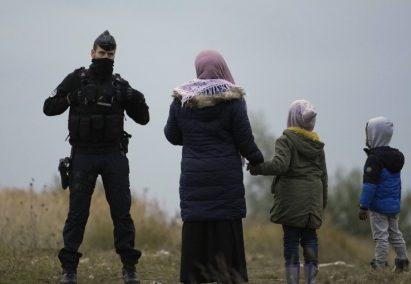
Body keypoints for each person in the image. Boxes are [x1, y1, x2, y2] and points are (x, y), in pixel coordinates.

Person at [43, 30, 149, 284]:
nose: (105, 57)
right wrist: (72, 97)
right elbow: (48, 107)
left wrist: (134, 98)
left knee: (122, 213)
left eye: (110, 54)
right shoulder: (76, 79)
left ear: (115, 55)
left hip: (113, 155)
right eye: (101, 53)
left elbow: (144, 118)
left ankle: (129, 268)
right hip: (83, 155)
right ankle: (69, 270)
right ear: (92, 52)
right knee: (77, 214)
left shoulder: (120, 85)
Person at [164, 49, 264, 284]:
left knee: (196, 227)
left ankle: (194, 276)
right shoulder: (233, 100)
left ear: (198, 69)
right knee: (225, 227)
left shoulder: (182, 100)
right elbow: (244, 139)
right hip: (225, 178)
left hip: (194, 178)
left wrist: (191, 138)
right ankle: (228, 276)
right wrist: (257, 160)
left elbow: (171, 135)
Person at [249, 100, 327, 284]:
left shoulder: (286, 140)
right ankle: (311, 281)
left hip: (292, 199)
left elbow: (280, 165)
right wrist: (322, 202)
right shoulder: (317, 144)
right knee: (310, 238)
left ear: (292, 118)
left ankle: (293, 281)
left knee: (291, 239)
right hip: (313, 198)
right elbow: (324, 176)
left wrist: (258, 167)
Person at [358, 116, 409, 272]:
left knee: (381, 237)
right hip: (393, 205)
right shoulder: (396, 158)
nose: (366, 137)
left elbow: (369, 186)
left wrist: (363, 206)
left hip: (378, 207)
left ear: (375, 135)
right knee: (395, 234)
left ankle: (379, 265)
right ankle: (402, 261)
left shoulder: (374, 160)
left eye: (368, 133)